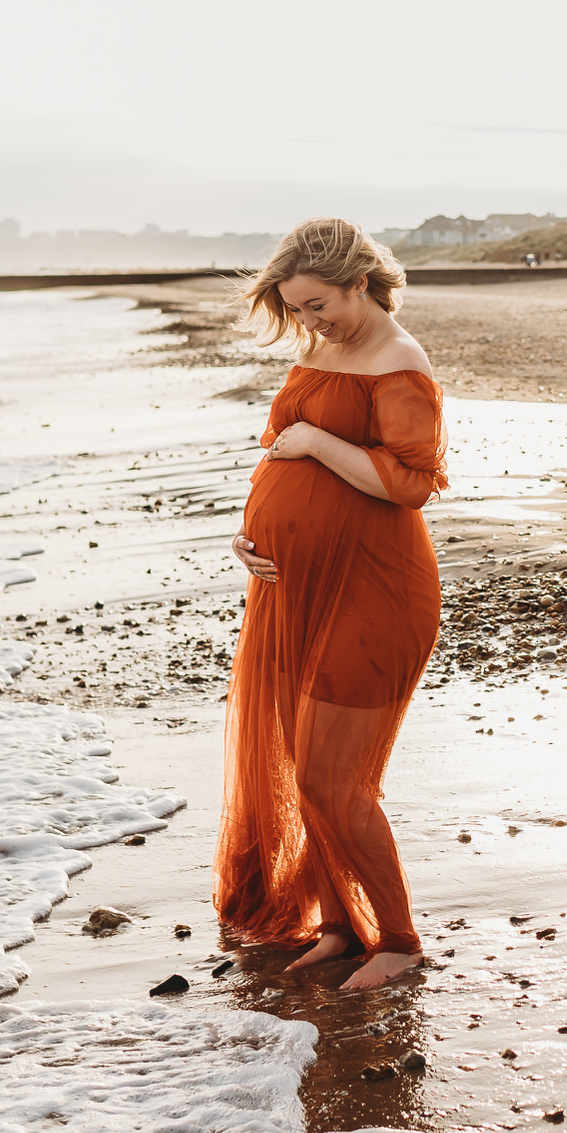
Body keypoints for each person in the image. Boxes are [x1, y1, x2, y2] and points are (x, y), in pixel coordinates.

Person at [216, 219, 446, 991]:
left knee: (332, 776)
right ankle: (343, 924)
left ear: (358, 283)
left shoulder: (399, 363)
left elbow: (410, 482)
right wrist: (249, 535)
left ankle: (401, 940)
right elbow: (277, 448)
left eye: (319, 305)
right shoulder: (321, 350)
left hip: (376, 589)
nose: (309, 323)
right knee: (302, 765)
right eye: (298, 310)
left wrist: (316, 445)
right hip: (297, 588)